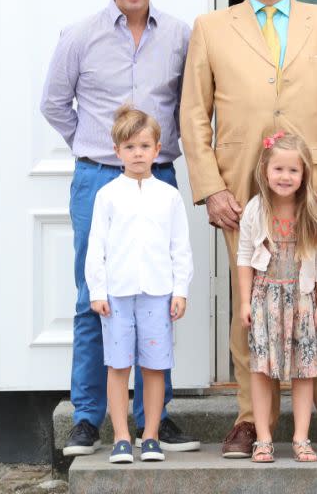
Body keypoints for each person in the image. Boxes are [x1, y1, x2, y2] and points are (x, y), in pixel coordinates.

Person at [180, 0, 317, 458]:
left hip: (314, 187)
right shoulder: (212, 27)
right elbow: (194, 115)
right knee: (251, 302)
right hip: (240, 184)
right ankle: (249, 419)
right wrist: (210, 186)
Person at [40, 0, 200, 456]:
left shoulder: (179, 35)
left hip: (159, 180)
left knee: (156, 296)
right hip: (97, 179)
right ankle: (87, 419)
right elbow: (55, 104)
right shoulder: (80, 36)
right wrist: (92, 148)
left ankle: (154, 419)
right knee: (96, 300)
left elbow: (189, 106)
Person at [85, 106, 193, 464]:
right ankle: (120, 437)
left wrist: (180, 289)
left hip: (157, 293)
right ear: (117, 151)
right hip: (117, 294)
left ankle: (150, 436)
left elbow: (180, 246)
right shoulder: (108, 195)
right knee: (118, 366)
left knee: (154, 365)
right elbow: (96, 246)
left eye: (144, 146)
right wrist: (98, 291)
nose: (137, 154)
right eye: (129, 147)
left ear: (157, 149)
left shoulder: (169, 196)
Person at [237, 133, 317, 463]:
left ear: (304, 174)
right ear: (265, 171)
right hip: (265, 298)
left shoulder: (312, 210)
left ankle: (301, 437)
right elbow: (244, 255)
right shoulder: (257, 209)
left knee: (304, 371)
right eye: (278, 169)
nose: (285, 177)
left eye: (293, 171)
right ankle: (264, 438)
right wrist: (244, 301)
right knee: (260, 370)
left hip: (302, 301)